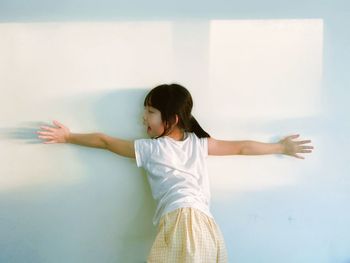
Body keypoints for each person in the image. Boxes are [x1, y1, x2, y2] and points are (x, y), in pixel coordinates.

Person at [36, 83, 314, 262]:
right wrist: (280, 147)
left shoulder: (152, 149)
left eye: (150, 111)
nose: (143, 117)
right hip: (202, 222)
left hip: (185, 218)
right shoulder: (197, 144)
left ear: (172, 119)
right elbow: (241, 147)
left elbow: (105, 141)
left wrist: (69, 137)